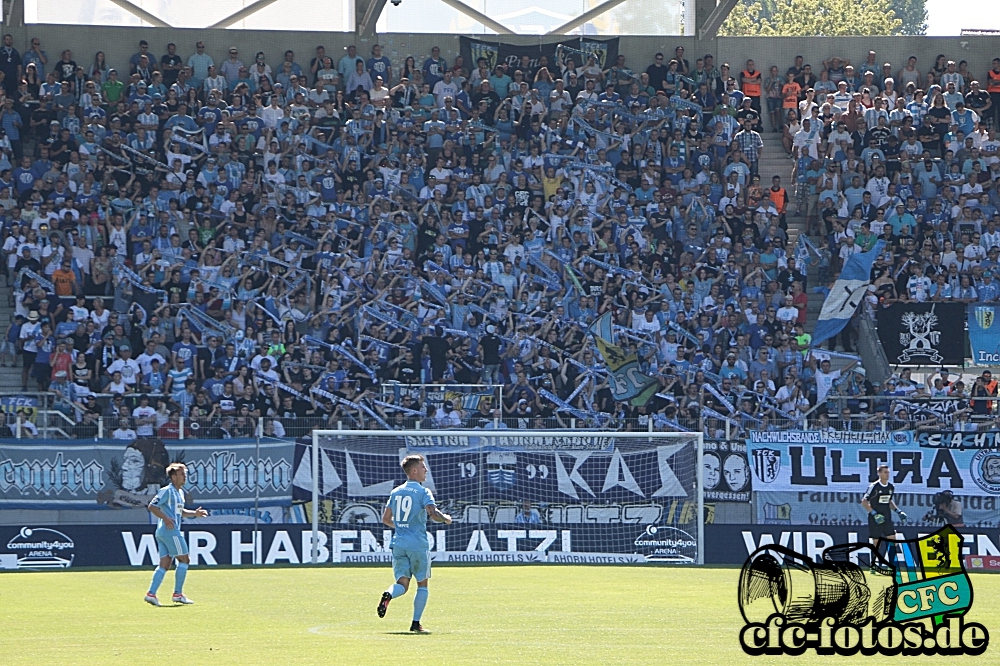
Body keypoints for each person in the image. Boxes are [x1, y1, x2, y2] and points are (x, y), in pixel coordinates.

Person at [377, 454, 452, 633]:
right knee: (422, 584)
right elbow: (433, 514)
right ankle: (415, 623)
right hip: (418, 544)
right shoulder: (423, 491)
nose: (426, 470)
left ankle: (388, 594)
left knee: (402, 584)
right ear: (414, 470)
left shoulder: (395, 492)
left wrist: (403, 526)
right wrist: (446, 519)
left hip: (399, 543)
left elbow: (386, 519)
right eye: (423, 467)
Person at [144, 462, 208, 606]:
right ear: (173, 477)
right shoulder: (167, 491)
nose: (184, 477)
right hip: (170, 531)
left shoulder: (179, 493)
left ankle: (151, 594)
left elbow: (181, 512)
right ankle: (177, 594)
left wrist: (195, 514)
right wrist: (166, 518)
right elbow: (151, 506)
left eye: (185, 474)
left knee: (165, 564)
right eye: (181, 474)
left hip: (163, 532)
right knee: (185, 560)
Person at [861, 464, 906, 559]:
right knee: (877, 542)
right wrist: (874, 513)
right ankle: (873, 564)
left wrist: (898, 511)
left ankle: (893, 564)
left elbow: (889, 501)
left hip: (887, 517)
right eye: (885, 472)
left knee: (893, 540)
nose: (887, 474)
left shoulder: (891, 487)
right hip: (875, 518)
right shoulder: (874, 486)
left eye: (888, 472)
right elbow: (864, 502)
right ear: (879, 473)